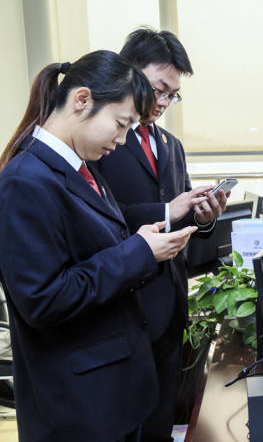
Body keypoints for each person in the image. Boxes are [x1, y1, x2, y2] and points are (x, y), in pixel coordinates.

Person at [0, 51, 199, 441]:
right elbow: (43, 299)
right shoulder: (25, 180)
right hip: (78, 403)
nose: (122, 140)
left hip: (113, 390)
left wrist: (146, 245)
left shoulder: (81, 169)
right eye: (120, 124)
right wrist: (140, 251)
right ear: (82, 100)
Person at [90, 28, 227, 441]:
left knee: (161, 422)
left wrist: (204, 216)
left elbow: (184, 216)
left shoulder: (171, 145)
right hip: (123, 307)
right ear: (128, 73)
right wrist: (169, 211)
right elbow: (101, 217)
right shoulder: (100, 141)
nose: (164, 102)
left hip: (170, 304)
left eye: (173, 95)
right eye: (159, 89)